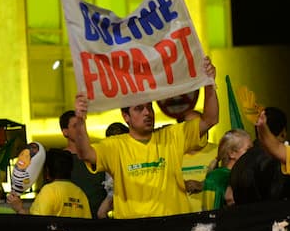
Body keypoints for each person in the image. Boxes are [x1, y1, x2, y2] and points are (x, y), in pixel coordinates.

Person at [71, 56, 219, 219]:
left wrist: (209, 85)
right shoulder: (115, 146)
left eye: (149, 107)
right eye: (139, 109)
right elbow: (85, 153)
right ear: (125, 116)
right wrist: (80, 120)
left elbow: (210, 119)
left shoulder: (171, 136)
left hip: (172, 229)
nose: (147, 112)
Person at [229, 106, 290, 205]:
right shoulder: (279, 162)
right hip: (274, 218)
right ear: (283, 133)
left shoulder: (239, 163)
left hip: (244, 219)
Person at [7, 148, 91, 218]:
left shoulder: (49, 190)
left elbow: (36, 226)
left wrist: (19, 209)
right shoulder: (80, 193)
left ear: (47, 171)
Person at [60, 109, 108, 218]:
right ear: (65, 132)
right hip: (74, 219)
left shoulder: (97, 154)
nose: (80, 129)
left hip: (100, 219)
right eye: (75, 126)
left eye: (81, 125)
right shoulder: (60, 160)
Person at [202, 128, 253, 210]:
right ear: (232, 153)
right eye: (248, 150)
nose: (252, 154)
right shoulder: (216, 177)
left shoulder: (245, 174)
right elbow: (210, 211)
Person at [96, 122, 129, 219]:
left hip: (127, 196)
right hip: (115, 196)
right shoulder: (109, 157)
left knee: (101, 213)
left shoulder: (130, 155)